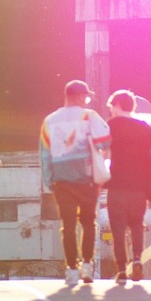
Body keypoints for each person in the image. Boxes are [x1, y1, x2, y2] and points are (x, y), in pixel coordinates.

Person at [40, 79, 110, 287]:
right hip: (87, 180)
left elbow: (45, 154)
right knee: (88, 223)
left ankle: (71, 270)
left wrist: (48, 179)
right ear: (80, 97)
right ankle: (87, 266)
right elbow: (104, 141)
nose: (86, 100)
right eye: (86, 96)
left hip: (61, 181)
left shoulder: (49, 121)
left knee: (68, 226)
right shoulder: (89, 117)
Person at [105, 89, 151, 285]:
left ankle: (121, 269)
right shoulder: (146, 127)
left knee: (118, 230)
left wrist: (101, 176)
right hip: (139, 188)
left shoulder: (110, 126)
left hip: (117, 186)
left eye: (112, 107)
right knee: (137, 225)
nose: (111, 111)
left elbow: (104, 155)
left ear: (118, 105)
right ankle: (137, 260)